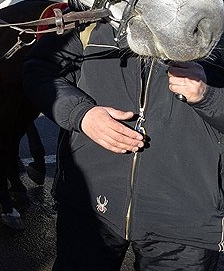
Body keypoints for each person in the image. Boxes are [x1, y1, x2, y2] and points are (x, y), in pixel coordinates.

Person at [24, 20, 224, 270]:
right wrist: (82, 115)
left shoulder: (214, 19)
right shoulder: (92, 18)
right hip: (88, 204)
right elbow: (39, 70)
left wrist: (208, 95)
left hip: (183, 221)